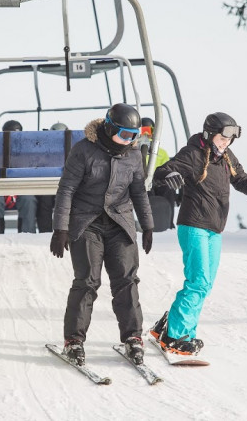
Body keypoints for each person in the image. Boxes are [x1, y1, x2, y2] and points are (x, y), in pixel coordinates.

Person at [148, 112, 247, 357]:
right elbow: (162, 170)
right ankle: (176, 336)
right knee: (198, 282)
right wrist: (169, 175)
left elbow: (241, 180)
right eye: (222, 137)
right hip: (194, 225)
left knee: (205, 284)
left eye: (230, 138)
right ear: (210, 134)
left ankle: (169, 327)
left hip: (214, 229)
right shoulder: (193, 154)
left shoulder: (226, 157)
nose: (226, 142)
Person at [50, 104, 154, 366]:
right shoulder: (83, 151)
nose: (128, 141)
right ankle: (73, 341)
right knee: (87, 281)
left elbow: (139, 192)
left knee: (126, 280)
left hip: (120, 222)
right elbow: (66, 191)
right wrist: (60, 228)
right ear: (109, 128)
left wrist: (148, 225)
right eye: (124, 135)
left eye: (133, 136)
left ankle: (133, 338)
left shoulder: (132, 156)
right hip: (87, 222)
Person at [138, 117, 177, 230]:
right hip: (142, 180)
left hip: (157, 179)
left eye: (149, 131)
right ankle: (147, 222)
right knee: (146, 192)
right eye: (143, 131)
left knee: (168, 189)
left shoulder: (160, 152)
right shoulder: (134, 149)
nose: (146, 134)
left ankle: (168, 222)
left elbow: (167, 168)